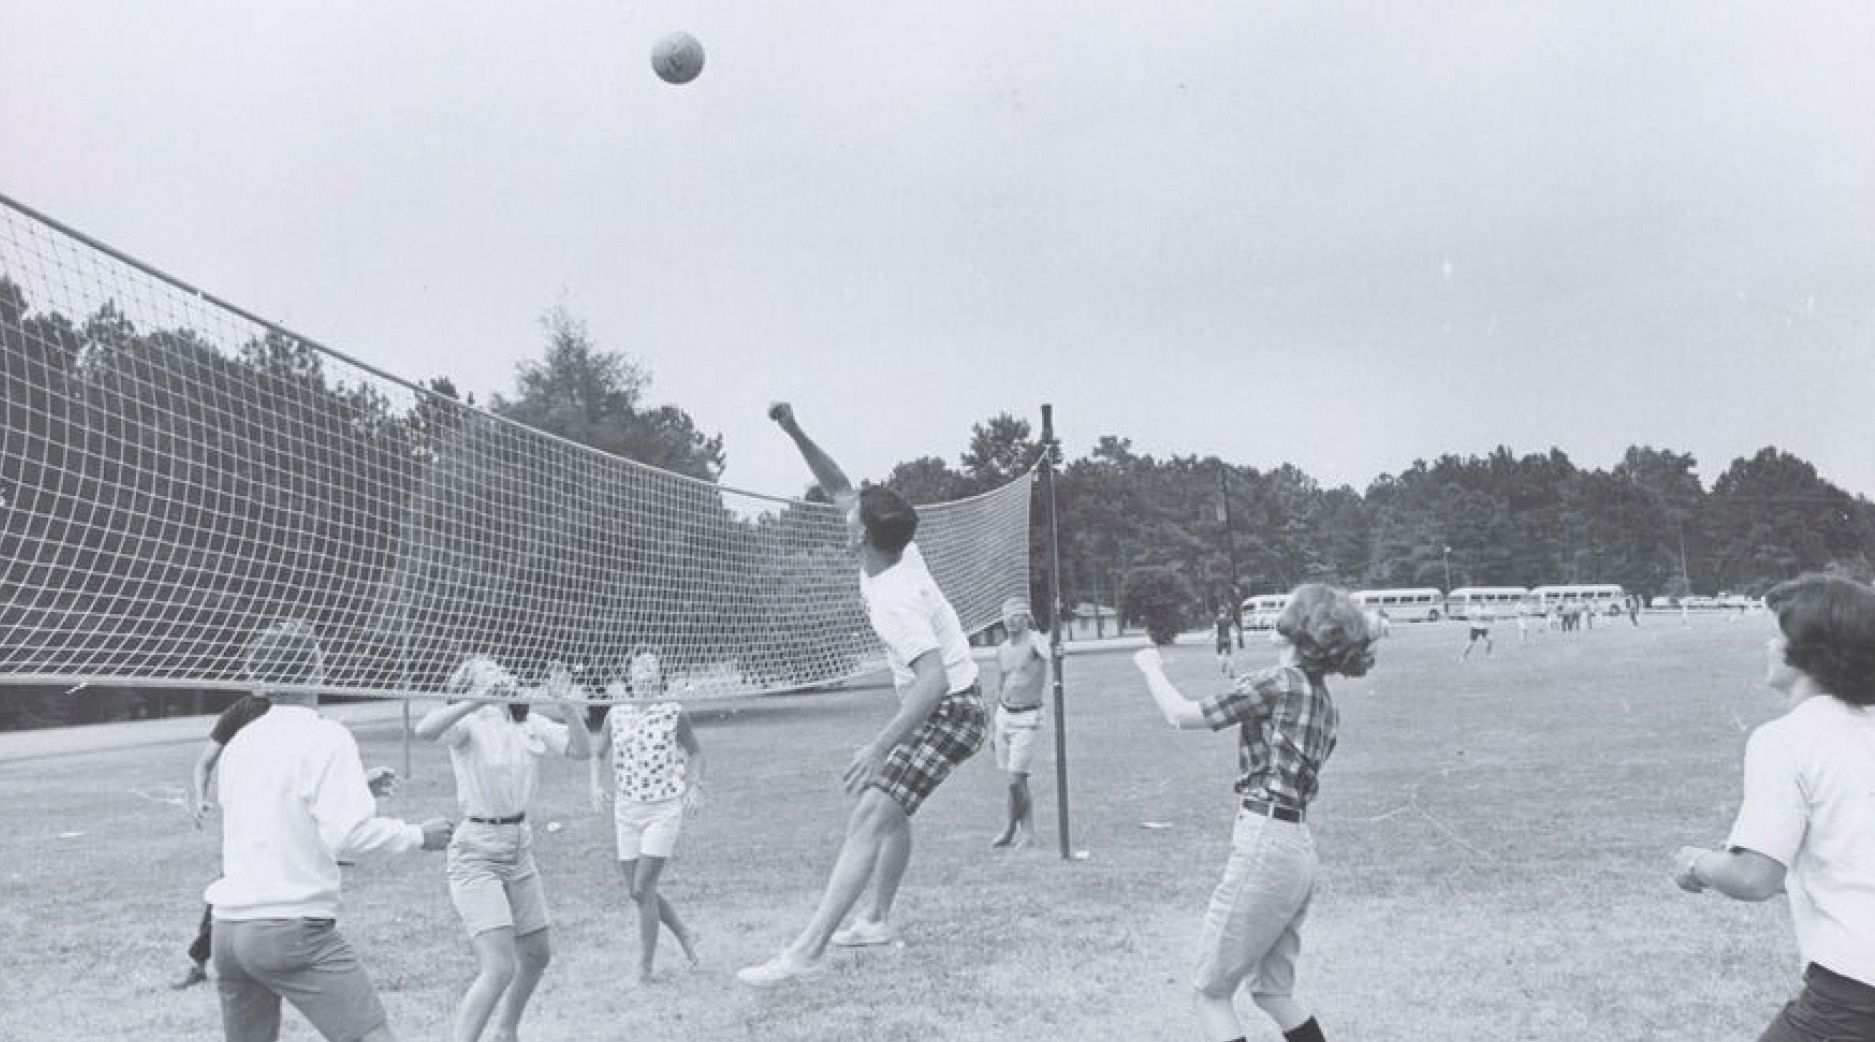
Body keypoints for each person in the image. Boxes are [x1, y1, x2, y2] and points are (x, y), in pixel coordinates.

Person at [738, 402, 988, 987]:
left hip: (951, 711)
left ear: (866, 536)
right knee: (892, 815)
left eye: (854, 519)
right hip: (947, 705)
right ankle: (875, 920)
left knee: (870, 815)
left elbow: (932, 681)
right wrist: (795, 429)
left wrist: (879, 748)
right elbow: (840, 486)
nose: (844, 516)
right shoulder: (890, 549)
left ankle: (805, 950)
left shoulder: (898, 596)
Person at [1132, 584, 1377, 1042]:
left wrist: (1150, 668)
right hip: (1298, 848)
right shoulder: (1324, 701)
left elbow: (1181, 715)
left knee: (1210, 991)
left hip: (1266, 840)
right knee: (1273, 992)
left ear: (1299, 629)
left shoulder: (1278, 682)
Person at [206, 620, 452, 1042]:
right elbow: (349, 836)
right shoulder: (326, 735)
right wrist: (417, 835)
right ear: (318, 669)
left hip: (227, 933)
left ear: (261, 681)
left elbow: (274, 814)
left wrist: (352, 789)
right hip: (289, 929)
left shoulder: (240, 742)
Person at [1672, 574, 1875, 1042]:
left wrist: (1695, 863)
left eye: (1776, 634)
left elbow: (1753, 878)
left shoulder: (1784, 740)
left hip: (1852, 998)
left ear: (1806, 651)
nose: (1767, 645)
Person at [415, 656, 591, 1042]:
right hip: (476, 851)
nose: (503, 675)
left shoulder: (526, 721)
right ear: (471, 686)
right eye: (489, 672)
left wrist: (566, 706)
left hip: (520, 848)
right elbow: (424, 730)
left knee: (538, 954)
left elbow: (581, 751)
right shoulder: (468, 724)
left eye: (502, 670)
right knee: (498, 967)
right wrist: (476, 701)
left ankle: (506, 1030)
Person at [175, 695, 399, 990]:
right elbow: (204, 763)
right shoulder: (244, 712)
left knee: (291, 900)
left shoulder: (308, 717)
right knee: (233, 896)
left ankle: (300, 965)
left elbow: (308, 782)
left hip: (289, 826)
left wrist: (360, 785)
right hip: (255, 825)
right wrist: (201, 798)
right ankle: (200, 963)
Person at [590, 647, 704, 983]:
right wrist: (595, 786)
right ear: (630, 676)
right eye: (639, 668)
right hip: (626, 810)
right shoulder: (616, 714)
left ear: (659, 677)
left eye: (652, 668)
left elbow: (695, 752)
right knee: (637, 891)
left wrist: (695, 786)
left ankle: (645, 968)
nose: (645, 674)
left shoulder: (674, 713)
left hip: (663, 808)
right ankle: (684, 933)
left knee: (642, 886)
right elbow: (598, 754)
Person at [989, 597, 1051, 849]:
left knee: (1016, 779)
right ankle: (1016, 831)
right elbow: (1000, 686)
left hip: (1028, 718)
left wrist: (1054, 649)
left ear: (1026, 617)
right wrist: (994, 728)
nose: (1010, 620)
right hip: (1004, 715)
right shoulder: (1002, 649)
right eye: (1006, 616)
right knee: (1014, 781)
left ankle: (1022, 830)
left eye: (1016, 615)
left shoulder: (1035, 642)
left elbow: (1047, 650)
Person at [1214, 606, 1236, 675]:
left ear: (1219, 612)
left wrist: (1208, 637)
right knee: (1229, 656)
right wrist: (1239, 633)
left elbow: (1214, 629)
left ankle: (1224, 662)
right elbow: (1235, 628)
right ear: (1225, 612)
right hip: (1228, 639)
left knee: (1219, 655)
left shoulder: (1217, 620)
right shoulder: (1229, 620)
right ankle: (1231, 668)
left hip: (1220, 640)